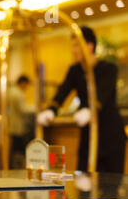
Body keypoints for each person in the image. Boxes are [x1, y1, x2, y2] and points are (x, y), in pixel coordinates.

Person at [37, 26, 126, 173]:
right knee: (83, 178)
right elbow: (62, 92)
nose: (74, 49)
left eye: (77, 45)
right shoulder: (75, 70)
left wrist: (90, 111)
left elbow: (102, 94)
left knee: (112, 184)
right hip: (88, 134)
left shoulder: (108, 68)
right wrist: (51, 110)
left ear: (89, 46)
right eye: (73, 45)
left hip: (111, 136)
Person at [8, 75, 35, 168]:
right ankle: (18, 168)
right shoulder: (17, 93)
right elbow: (23, 109)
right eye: (27, 85)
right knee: (19, 149)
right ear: (23, 83)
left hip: (13, 125)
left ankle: (15, 167)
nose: (27, 87)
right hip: (18, 126)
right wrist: (37, 108)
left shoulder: (12, 92)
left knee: (15, 148)